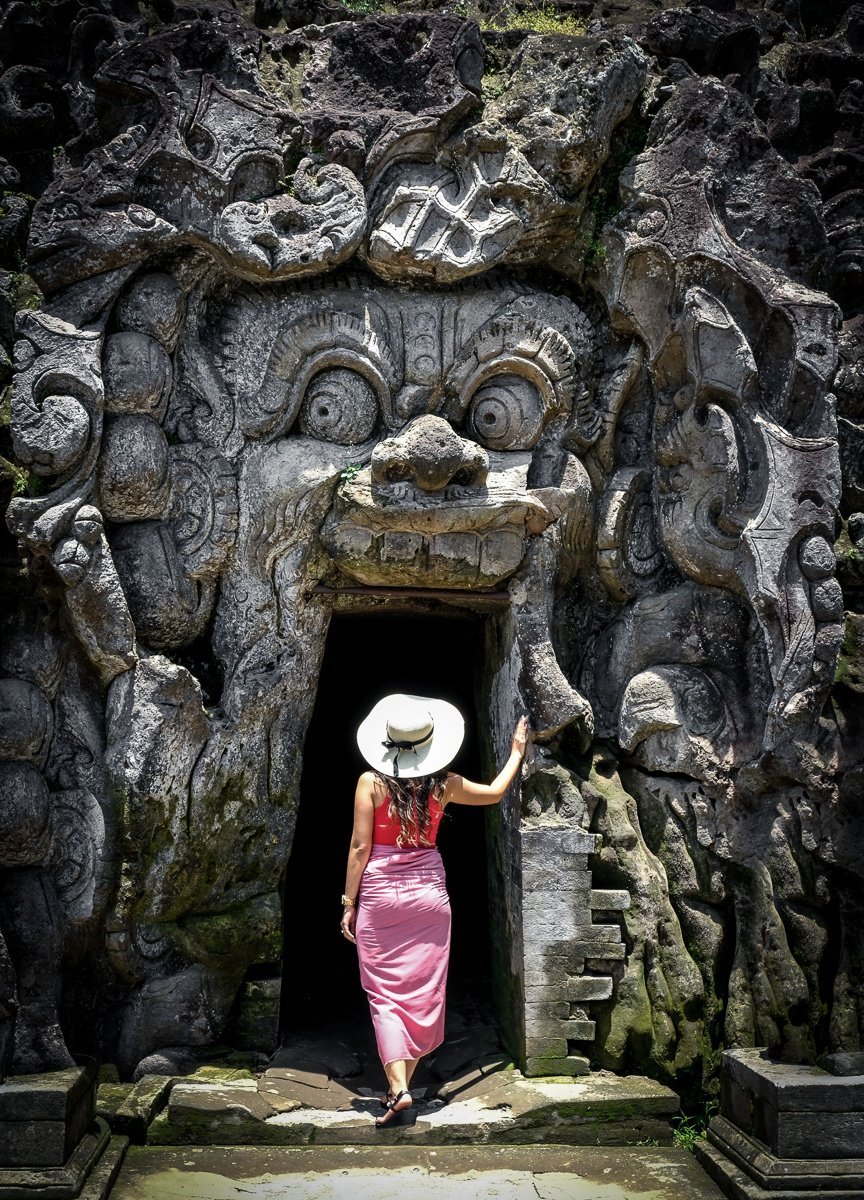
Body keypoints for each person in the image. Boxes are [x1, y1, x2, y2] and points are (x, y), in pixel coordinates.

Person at [340, 693, 529, 1129]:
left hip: (381, 894)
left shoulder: (369, 783)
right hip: (429, 895)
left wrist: (348, 903)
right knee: (423, 991)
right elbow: (497, 793)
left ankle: (400, 1088)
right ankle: (400, 1088)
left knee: (383, 993)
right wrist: (516, 752)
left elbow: (359, 847)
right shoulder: (446, 784)